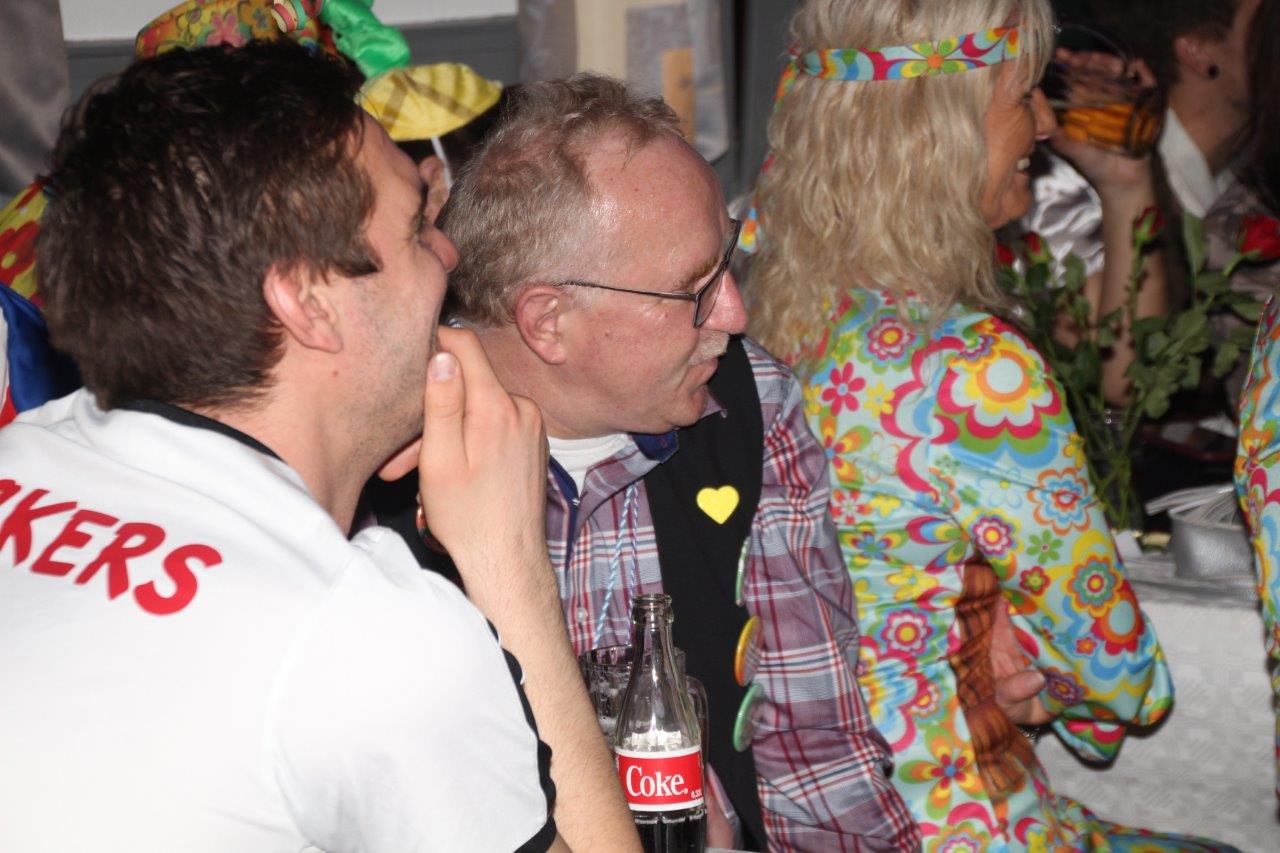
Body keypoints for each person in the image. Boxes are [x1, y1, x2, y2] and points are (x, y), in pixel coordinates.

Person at [0, 41, 638, 852]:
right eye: (416, 229)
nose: (448, 253)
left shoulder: (24, 449)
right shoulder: (365, 635)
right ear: (307, 301)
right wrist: (508, 563)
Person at [372, 73, 921, 851]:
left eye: (728, 264)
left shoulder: (750, 402)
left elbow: (815, 748)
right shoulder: (387, 467)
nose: (735, 313)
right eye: (695, 289)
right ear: (548, 322)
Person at [743, 0, 1239, 849]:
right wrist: (1061, 686)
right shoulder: (968, 365)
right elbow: (1113, 663)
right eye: (1025, 97)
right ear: (938, 130)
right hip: (953, 819)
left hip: (804, 816)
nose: (1047, 123)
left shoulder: (756, 314)